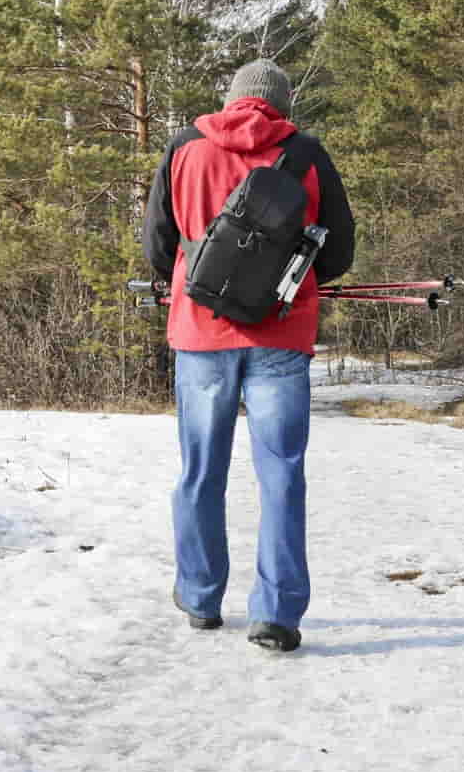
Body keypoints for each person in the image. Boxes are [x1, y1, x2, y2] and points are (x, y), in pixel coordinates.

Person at [141, 58, 354, 653]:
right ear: (282, 105)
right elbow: (337, 255)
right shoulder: (307, 154)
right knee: (281, 473)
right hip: (281, 334)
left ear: (232, 98)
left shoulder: (185, 147)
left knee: (200, 469)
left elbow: (158, 243)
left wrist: (190, 276)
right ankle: (277, 614)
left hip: (202, 334)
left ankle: (201, 597)